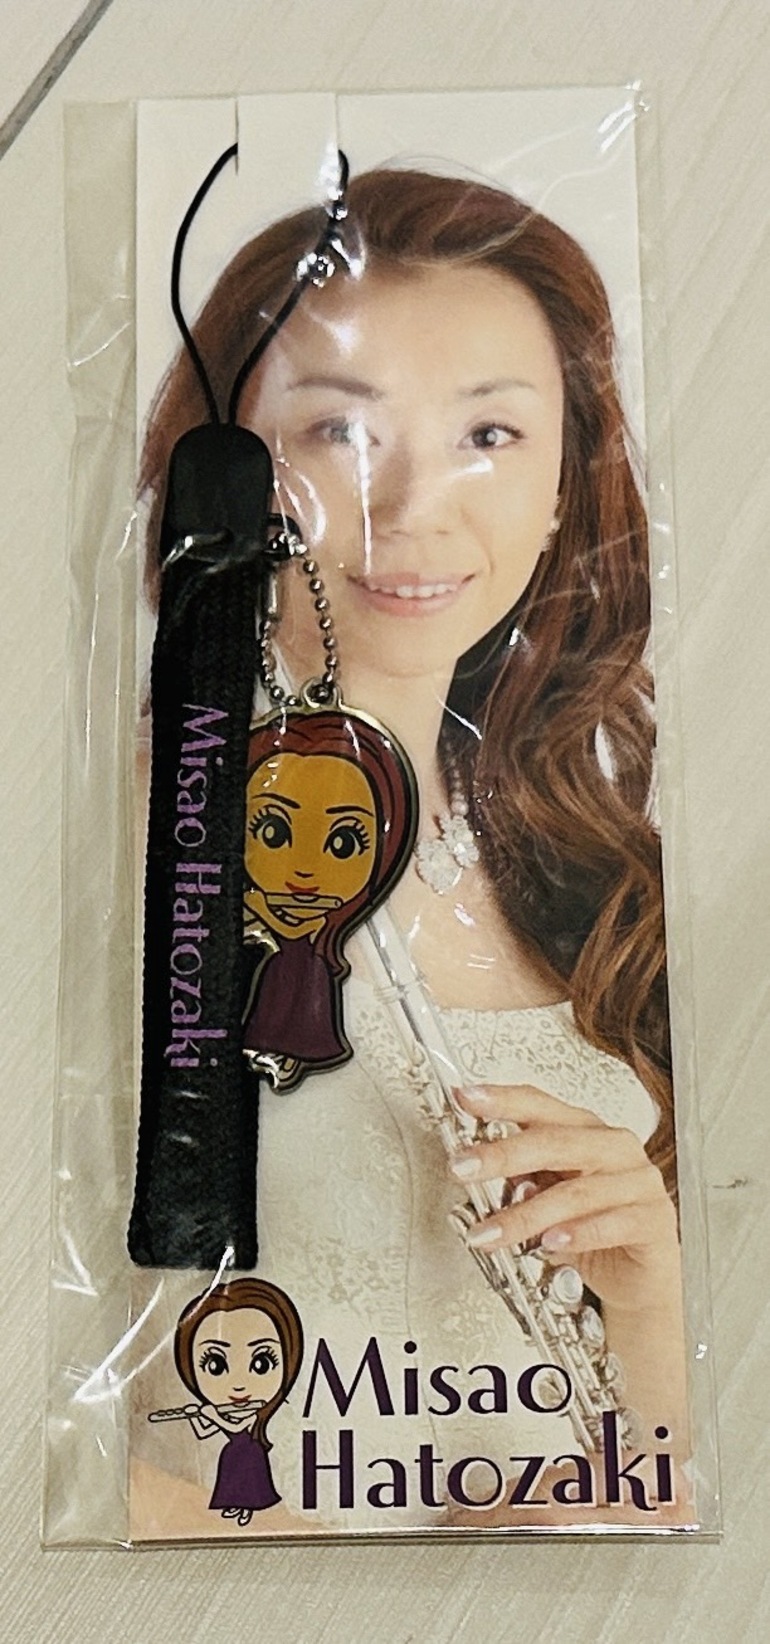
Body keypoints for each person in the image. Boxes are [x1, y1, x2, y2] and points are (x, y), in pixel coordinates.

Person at [139, 166, 689, 1526]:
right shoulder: (139, 839)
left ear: (563, 486)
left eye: (488, 432)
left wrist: (648, 1312)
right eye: (338, 430)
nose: (410, 505)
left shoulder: (594, 863)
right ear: (231, 478)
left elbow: (657, 1479)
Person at [171, 1277, 303, 1526]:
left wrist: (213, 1415)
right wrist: (196, 1415)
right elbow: (203, 1432)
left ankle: (247, 1510)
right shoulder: (222, 1410)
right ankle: (234, 1506)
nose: (239, 1384)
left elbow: (235, 1427)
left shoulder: (251, 1413)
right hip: (233, 1453)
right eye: (216, 1365)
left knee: (251, 1484)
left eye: (262, 1363)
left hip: (249, 1452)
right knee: (234, 1482)